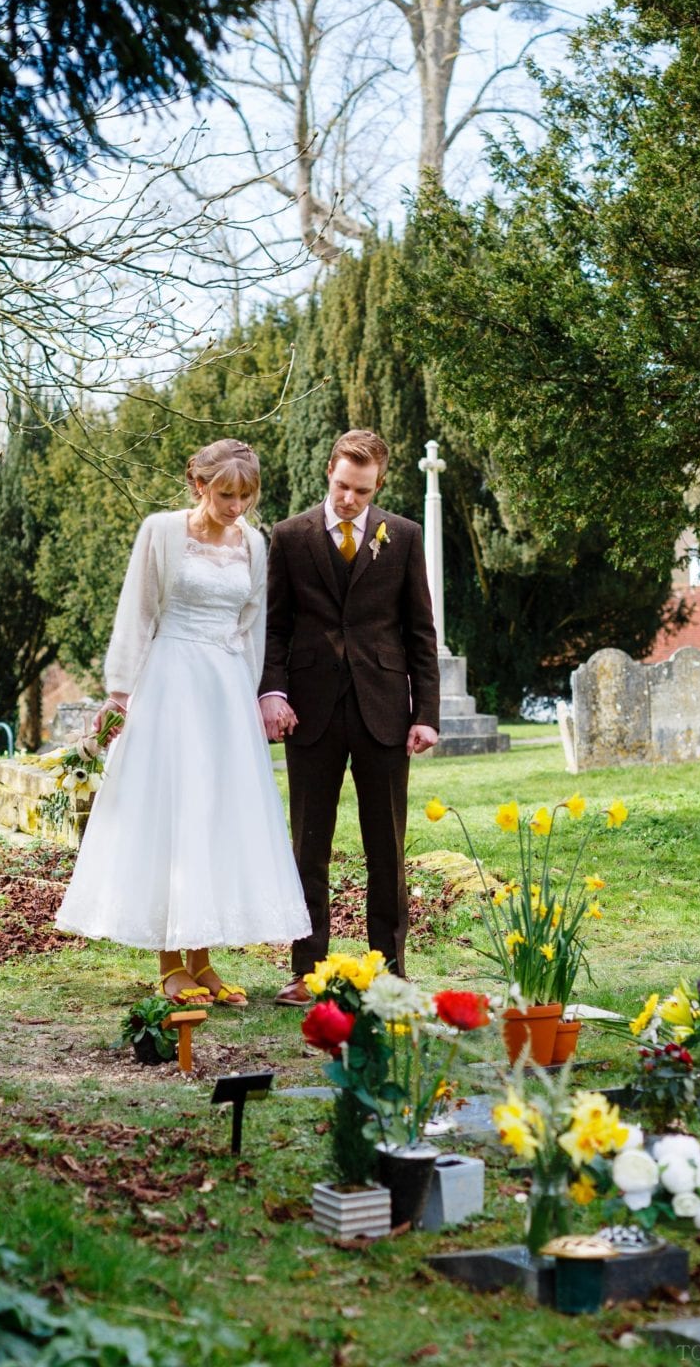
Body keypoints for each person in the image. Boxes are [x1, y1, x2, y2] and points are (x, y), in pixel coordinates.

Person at [55, 439, 311, 1006]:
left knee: (216, 816)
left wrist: (250, 697)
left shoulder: (254, 544)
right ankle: (170, 964)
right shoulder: (162, 532)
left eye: (246, 497)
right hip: (169, 683)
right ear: (199, 484)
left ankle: (204, 961)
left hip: (225, 691)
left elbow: (251, 624)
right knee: (174, 813)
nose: (236, 507)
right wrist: (120, 694)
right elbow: (137, 612)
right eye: (226, 495)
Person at [259, 429, 440, 1005]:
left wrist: (426, 713)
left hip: (383, 709)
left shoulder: (403, 536)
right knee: (307, 845)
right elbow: (274, 627)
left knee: (386, 845)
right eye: (342, 486)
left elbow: (420, 631)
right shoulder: (289, 536)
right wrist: (272, 692)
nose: (348, 499)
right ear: (329, 473)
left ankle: (390, 970)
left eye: (362, 491)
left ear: (378, 484)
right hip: (308, 711)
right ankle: (307, 970)